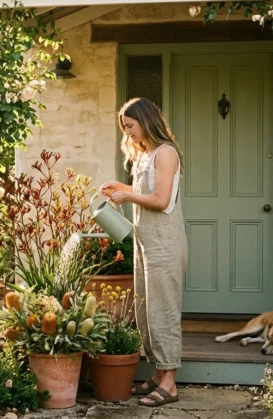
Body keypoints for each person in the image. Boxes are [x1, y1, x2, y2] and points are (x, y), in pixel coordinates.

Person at [101, 97, 188, 407]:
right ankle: (156, 373)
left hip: (164, 242)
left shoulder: (165, 154)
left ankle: (170, 383)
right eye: (124, 127)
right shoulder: (144, 155)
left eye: (130, 126)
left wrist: (127, 194)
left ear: (146, 120)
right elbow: (142, 195)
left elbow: (161, 200)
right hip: (144, 240)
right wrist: (121, 189)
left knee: (163, 310)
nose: (127, 133)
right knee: (146, 311)